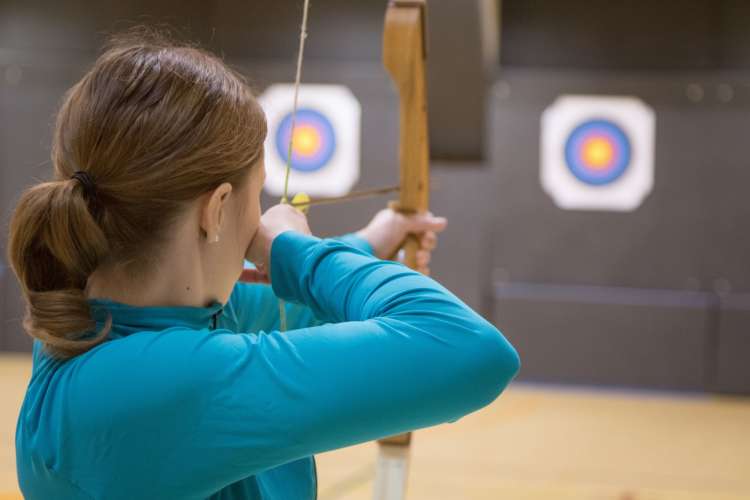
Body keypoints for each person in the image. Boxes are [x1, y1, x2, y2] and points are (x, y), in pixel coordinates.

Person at [7, 30, 520, 500]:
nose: (263, 216)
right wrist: (297, 252)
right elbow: (471, 350)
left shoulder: (97, 316)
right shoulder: (156, 387)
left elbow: (284, 310)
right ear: (216, 209)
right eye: (259, 197)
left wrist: (366, 244)